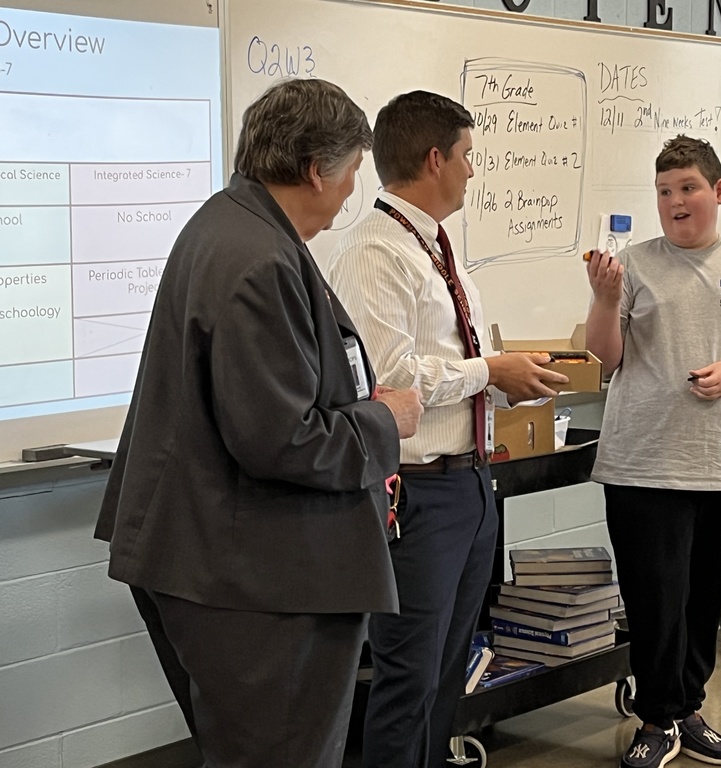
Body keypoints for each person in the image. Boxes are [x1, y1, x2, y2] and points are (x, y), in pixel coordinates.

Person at [94, 78, 423, 768]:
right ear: (315, 169)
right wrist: (384, 420)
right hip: (256, 578)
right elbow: (283, 439)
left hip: (216, 559)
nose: (350, 190)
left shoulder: (228, 224)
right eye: (352, 172)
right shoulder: (260, 259)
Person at [326, 89, 568, 768]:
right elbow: (393, 380)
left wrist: (503, 379)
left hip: (468, 484)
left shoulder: (434, 246)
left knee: (445, 676)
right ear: (434, 159)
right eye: (467, 156)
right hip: (416, 494)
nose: (472, 171)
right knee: (409, 676)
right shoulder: (376, 251)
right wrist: (488, 370)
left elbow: (448, 361)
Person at [585, 134, 721, 768]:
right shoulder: (632, 266)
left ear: (719, 192)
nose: (675, 202)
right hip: (643, 459)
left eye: (687, 189)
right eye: (664, 192)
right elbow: (608, 357)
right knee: (655, 594)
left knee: (703, 594)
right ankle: (656, 719)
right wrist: (605, 300)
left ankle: (688, 707)